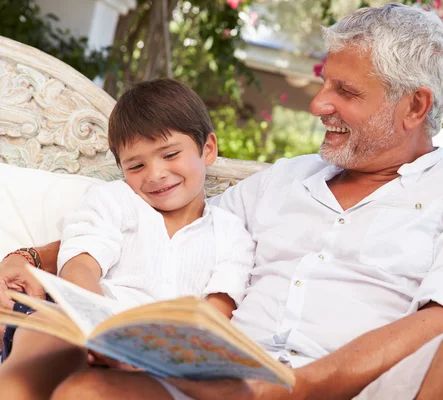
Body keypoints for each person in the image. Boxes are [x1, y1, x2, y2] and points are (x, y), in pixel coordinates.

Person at [1, 3, 443, 399]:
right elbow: (171, 227)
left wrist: (299, 385)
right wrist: (32, 258)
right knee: (84, 384)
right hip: (232, 383)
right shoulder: (282, 181)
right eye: (323, 82)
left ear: (415, 107)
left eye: (345, 91)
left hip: (378, 389)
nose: (318, 103)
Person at [0, 79, 255, 399]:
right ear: (121, 167)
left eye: (170, 154)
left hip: (164, 361)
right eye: (136, 165)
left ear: (208, 149)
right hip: (89, 330)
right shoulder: (114, 200)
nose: (156, 174)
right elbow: (80, 267)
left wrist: (155, 357)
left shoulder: (232, 234)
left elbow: (217, 311)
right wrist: (98, 330)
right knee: (49, 331)